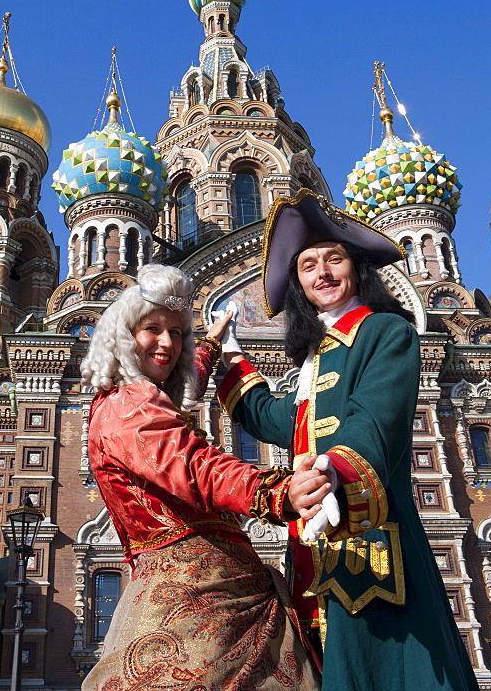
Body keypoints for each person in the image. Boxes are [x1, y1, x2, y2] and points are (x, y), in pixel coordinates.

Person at [217, 189, 478, 691]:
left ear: (356, 268)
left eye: (334, 259)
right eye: (308, 265)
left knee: (388, 664)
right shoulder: (317, 356)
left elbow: (373, 421)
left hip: (373, 531)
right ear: (299, 284)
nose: (323, 273)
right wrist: (230, 355)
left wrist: (333, 470)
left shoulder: (384, 333)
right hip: (314, 542)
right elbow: (278, 421)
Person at [80, 263, 320, 691]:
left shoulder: (140, 402)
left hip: (219, 592)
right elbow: (193, 466)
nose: (168, 343)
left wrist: (209, 343)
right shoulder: (128, 407)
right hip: (196, 605)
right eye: (152, 329)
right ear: (123, 336)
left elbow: (180, 393)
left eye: (177, 333)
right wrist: (277, 491)